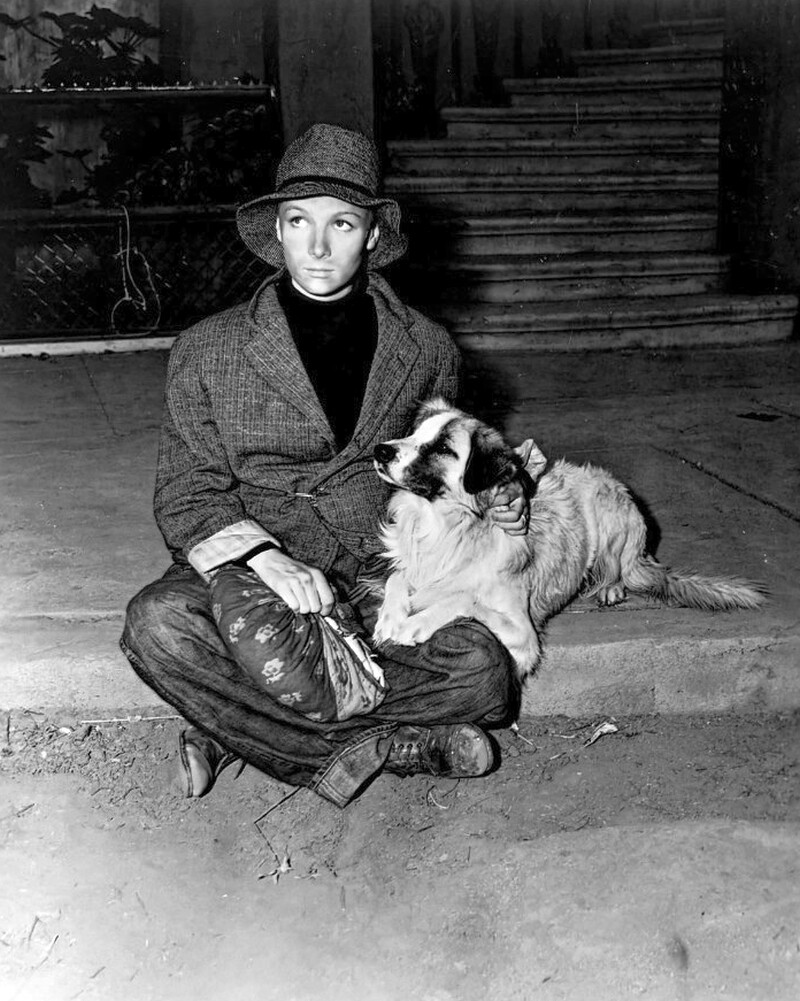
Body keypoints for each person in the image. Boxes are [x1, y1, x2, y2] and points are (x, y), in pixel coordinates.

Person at [120, 123, 526, 808]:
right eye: (298, 221)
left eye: (340, 223)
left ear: (371, 234)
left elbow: (445, 461)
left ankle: (236, 725)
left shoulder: (427, 348)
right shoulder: (208, 349)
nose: (316, 246)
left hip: (373, 580)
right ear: (277, 231)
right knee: (156, 624)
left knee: (484, 670)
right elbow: (187, 494)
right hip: (248, 580)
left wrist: (503, 494)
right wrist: (264, 559)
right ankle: (387, 746)